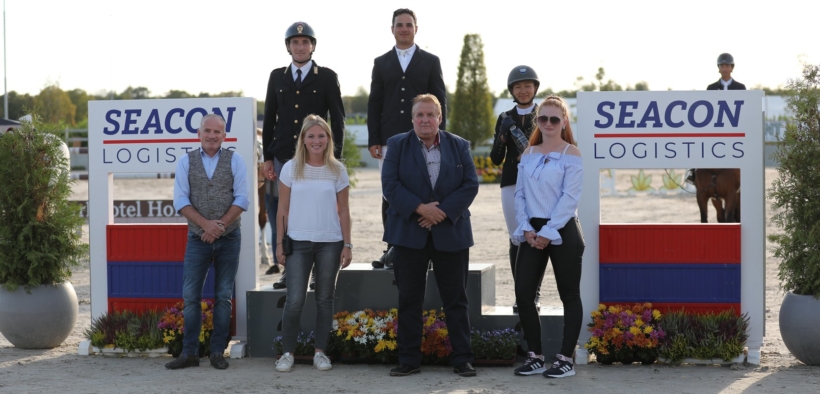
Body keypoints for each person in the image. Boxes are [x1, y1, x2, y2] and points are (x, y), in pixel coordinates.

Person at [382, 94, 478, 377]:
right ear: (412, 119)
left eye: (430, 115)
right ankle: (409, 360)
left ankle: (462, 359)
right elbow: (390, 184)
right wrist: (420, 208)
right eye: (419, 115)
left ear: (440, 118)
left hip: (451, 231)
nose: (425, 120)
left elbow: (470, 184)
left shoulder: (459, 146)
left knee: (456, 299)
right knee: (409, 299)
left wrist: (442, 212)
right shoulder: (397, 144)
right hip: (409, 232)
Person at [262, 21, 346, 288]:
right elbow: (269, 120)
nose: (300, 46)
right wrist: (267, 158)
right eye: (295, 42)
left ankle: (316, 270)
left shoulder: (327, 76)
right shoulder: (277, 76)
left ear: (312, 47)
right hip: (284, 156)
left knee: (318, 210)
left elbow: (339, 120)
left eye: (305, 42)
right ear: (288, 47)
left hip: (318, 157)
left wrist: (337, 158)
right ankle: (289, 267)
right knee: (283, 211)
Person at [165, 114, 249, 370]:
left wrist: (219, 226)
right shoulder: (185, 161)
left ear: (225, 136)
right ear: (199, 133)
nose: (212, 135)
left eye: (218, 131)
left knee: (223, 296)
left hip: (230, 237)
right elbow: (180, 200)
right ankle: (189, 353)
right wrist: (206, 225)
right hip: (197, 238)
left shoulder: (236, 160)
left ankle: (216, 353)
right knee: (191, 297)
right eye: (208, 130)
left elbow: (242, 199)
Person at [367, 8, 447, 269]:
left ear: (416, 28)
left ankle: (430, 246)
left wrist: (440, 134)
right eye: (399, 25)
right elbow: (375, 102)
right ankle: (392, 247)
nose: (404, 28)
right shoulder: (381, 62)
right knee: (389, 194)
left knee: (425, 189)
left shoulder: (431, 61)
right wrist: (374, 138)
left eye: (408, 25)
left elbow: (440, 100)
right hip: (390, 139)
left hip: (423, 136)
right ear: (392, 29)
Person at [511, 95, 584, 378]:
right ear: (537, 121)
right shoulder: (527, 155)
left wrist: (547, 232)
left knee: (569, 295)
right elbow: (519, 194)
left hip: (563, 229)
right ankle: (536, 356)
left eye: (555, 119)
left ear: (564, 121)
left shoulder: (572, 155)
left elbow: (569, 199)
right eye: (544, 118)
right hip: (531, 230)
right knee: (524, 294)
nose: (549, 123)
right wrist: (526, 227)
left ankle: (565, 358)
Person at [274, 115, 352, 372]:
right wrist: (278, 243)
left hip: (330, 242)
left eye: (321, 136)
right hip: (298, 242)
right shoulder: (290, 168)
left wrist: (347, 244)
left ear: (328, 139)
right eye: (311, 136)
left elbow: (343, 210)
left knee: (324, 299)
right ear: (303, 140)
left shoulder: (338, 169)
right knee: (295, 300)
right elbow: (282, 208)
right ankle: (287, 353)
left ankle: (320, 352)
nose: (316, 140)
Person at [490, 65, 545, 313]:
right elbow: (494, 158)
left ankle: (534, 294)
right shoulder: (504, 118)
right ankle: (520, 294)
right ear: (512, 90)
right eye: (518, 86)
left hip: (540, 182)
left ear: (535, 88)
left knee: (535, 237)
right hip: (511, 181)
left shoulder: (546, 114)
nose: (523, 90)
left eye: (527, 85)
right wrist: (502, 137)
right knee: (516, 239)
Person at [688, 53, 747, 183]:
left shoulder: (741, 88)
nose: (724, 68)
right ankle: (692, 172)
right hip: (716, 125)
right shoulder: (711, 88)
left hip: (735, 126)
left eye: (727, 66)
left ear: (732, 68)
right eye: (722, 66)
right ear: (718, 68)